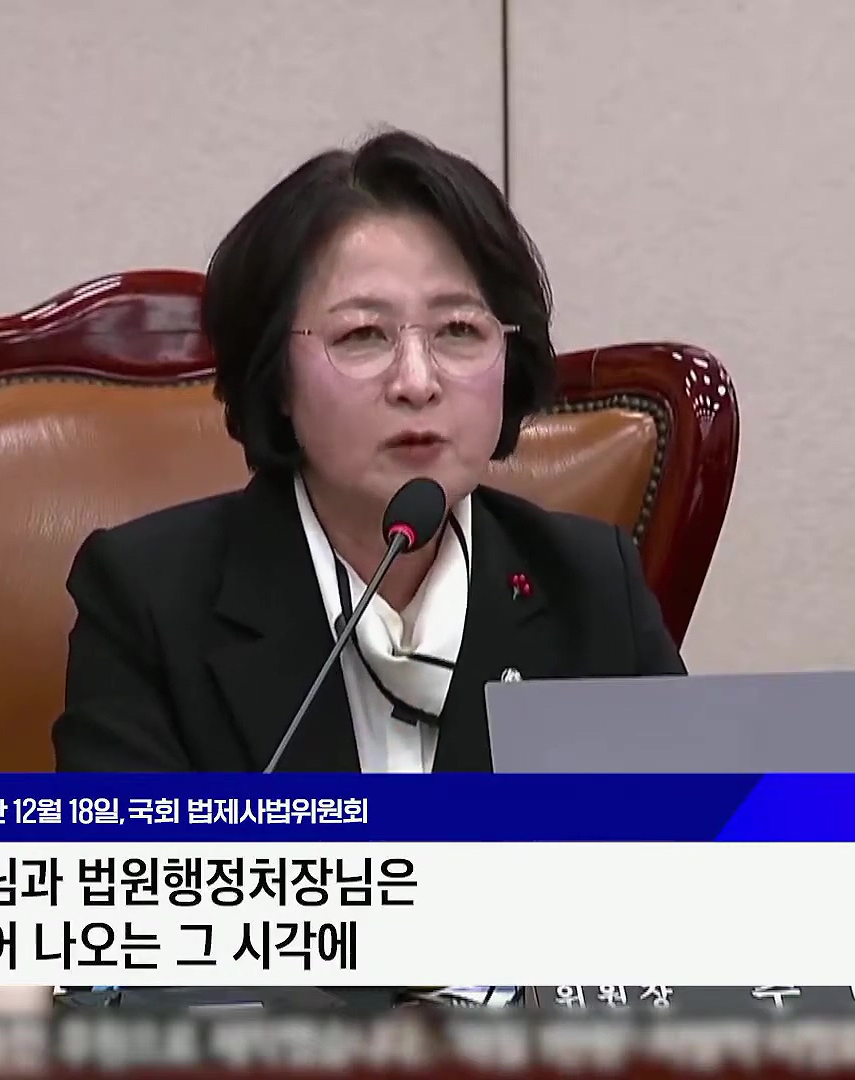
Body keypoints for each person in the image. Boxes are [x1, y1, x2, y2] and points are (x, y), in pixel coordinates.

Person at [53, 129, 685, 776]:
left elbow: (700, 829)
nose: (417, 381)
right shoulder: (148, 601)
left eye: (459, 329)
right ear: (276, 377)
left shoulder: (590, 588)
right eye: (362, 335)